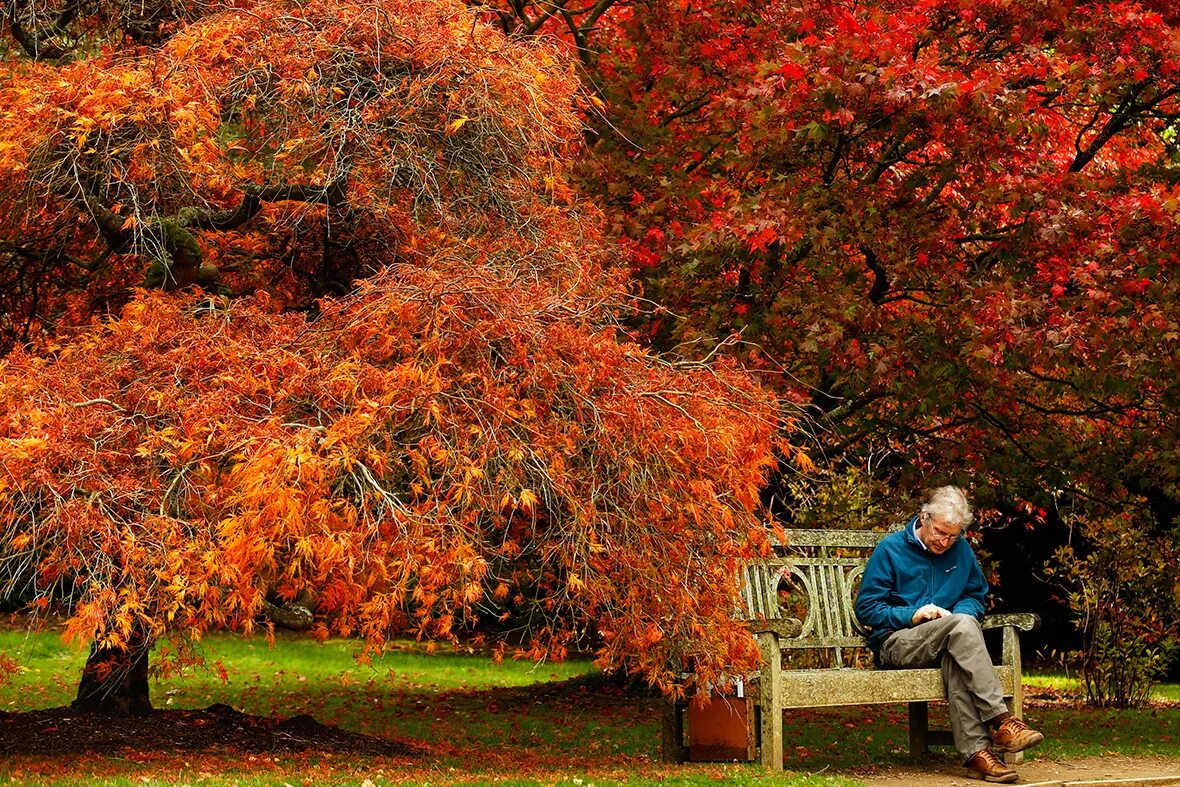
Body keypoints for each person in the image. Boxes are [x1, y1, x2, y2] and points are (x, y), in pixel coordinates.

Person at [854, 485, 1044, 784]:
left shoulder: (961, 550)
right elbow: (867, 608)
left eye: (953, 536)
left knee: (959, 644)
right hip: (898, 642)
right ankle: (1002, 721)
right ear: (924, 519)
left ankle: (978, 755)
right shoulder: (890, 550)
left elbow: (974, 595)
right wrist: (911, 614)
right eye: (941, 533)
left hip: (949, 641)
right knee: (962, 626)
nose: (946, 542)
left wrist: (960, 614)